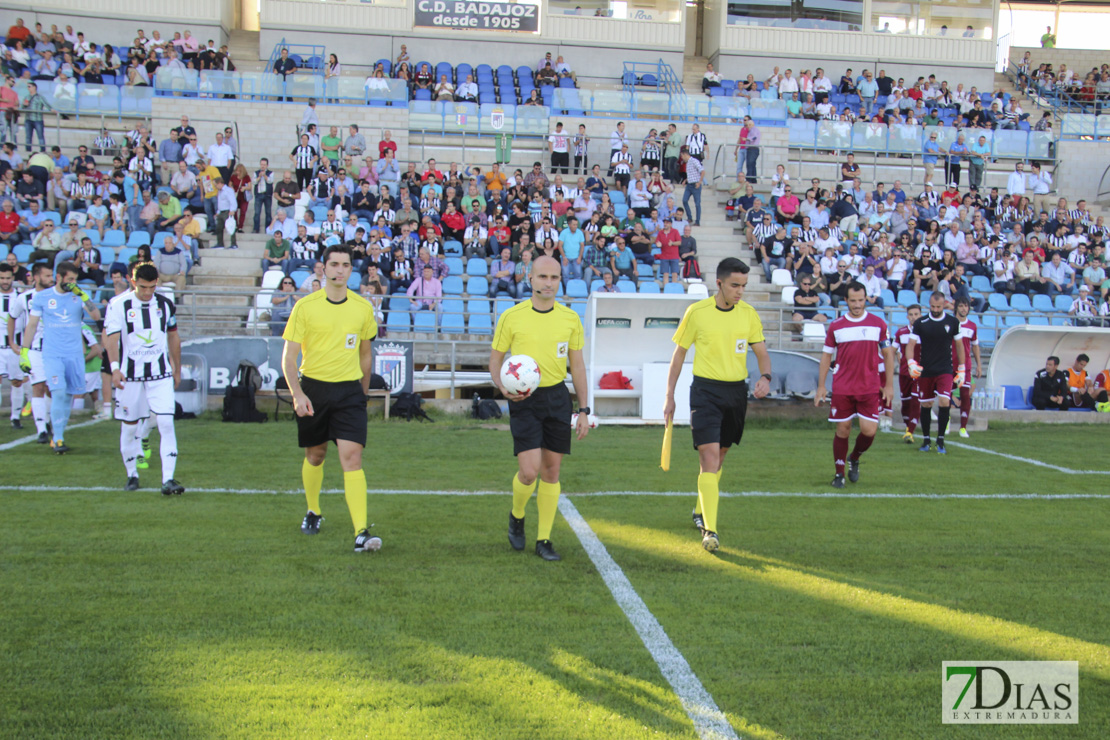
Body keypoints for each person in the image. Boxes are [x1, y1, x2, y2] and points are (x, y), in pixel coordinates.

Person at [664, 258, 772, 552]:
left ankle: (700, 510)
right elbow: (678, 355)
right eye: (735, 285)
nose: (740, 291)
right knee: (708, 459)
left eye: (744, 286)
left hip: (736, 394)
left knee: (719, 459)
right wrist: (669, 395)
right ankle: (710, 530)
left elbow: (761, 351)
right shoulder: (697, 312)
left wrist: (765, 376)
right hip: (705, 392)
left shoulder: (748, 314)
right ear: (720, 283)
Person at [489, 256, 590, 562]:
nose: (549, 282)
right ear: (529, 278)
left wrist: (583, 409)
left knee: (551, 471)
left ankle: (544, 539)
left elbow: (577, 365)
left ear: (560, 280)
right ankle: (517, 514)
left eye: (554, 277)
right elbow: (496, 359)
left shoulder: (570, 318)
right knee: (529, 472)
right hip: (524, 400)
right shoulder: (512, 316)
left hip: (558, 398)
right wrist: (501, 386)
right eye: (542, 276)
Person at [281, 244, 380, 553]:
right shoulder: (305, 307)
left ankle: (361, 532)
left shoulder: (363, 308)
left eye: (346, 265)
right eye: (334, 264)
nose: (340, 270)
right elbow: (288, 357)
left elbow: (366, 355)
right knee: (316, 455)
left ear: (351, 270)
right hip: (313, 390)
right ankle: (313, 511)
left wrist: (361, 393)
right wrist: (297, 394)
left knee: (352, 458)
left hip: (350, 392)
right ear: (323, 268)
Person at [102, 263, 183, 493]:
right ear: (133, 282)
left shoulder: (165, 304)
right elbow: (112, 338)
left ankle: (168, 479)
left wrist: (176, 368)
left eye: (152, 287)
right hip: (130, 376)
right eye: (143, 287)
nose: (148, 292)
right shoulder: (118, 305)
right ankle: (132, 475)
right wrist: (115, 368)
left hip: (160, 374)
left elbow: (174, 337)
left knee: (166, 422)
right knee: (129, 427)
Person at [815, 282, 895, 488]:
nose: (857, 304)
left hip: (869, 387)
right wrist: (821, 386)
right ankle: (839, 474)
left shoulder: (878, 324)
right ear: (846, 301)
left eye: (860, 300)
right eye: (853, 301)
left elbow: (888, 354)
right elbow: (826, 356)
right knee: (843, 429)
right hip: (843, 387)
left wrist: (889, 386)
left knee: (869, 431)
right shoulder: (836, 326)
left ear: (866, 298)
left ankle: (855, 457)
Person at [19, 262, 101, 454]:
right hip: (52, 353)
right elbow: (31, 325)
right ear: (59, 278)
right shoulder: (42, 297)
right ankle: (57, 438)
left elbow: (96, 315)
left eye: (75, 280)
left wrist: (82, 295)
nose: (73, 283)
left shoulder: (78, 295)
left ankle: (59, 433)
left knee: (68, 395)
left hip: (74, 354)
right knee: (58, 391)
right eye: (70, 279)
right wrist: (24, 353)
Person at [905, 292, 964, 454]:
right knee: (926, 404)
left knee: (945, 401)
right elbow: (910, 345)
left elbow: (960, 346)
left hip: (945, 369)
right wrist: (911, 362)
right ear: (929, 305)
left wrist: (962, 368)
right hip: (926, 370)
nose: (936, 309)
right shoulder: (921, 323)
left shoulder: (952, 322)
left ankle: (940, 440)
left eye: (938, 306)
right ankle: (926, 440)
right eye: (932, 306)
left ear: (944, 304)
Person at [6, 262, 52, 440]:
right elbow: (12, 317)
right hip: (33, 349)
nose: (50, 279)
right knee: (38, 386)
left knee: (50, 388)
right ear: (35, 277)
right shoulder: (24, 298)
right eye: (46, 276)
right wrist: (12, 341)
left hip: (54, 350)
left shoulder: (57, 296)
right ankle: (41, 429)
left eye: (51, 275)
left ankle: (46, 420)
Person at [0, 262, 26, 429]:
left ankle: (15, 417)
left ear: (13, 278)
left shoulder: (20, 297)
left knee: (17, 381)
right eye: (2, 278)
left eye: (8, 278)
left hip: (15, 347)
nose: (4, 281)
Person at [951, 298, 981, 438]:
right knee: (945, 396)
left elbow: (975, 346)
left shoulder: (972, 326)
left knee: (965, 396)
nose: (963, 309)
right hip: (949, 365)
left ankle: (963, 428)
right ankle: (945, 423)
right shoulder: (950, 324)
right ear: (956, 308)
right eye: (961, 306)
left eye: (966, 306)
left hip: (965, 367)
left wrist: (979, 365)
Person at [894, 304, 922, 443]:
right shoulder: (901, 333)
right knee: (905, 403)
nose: (913, 317)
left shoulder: (925, 332)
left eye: (916, 314)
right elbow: (892, 350)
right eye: (911, 314)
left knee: (915, 400)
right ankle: (908, 429)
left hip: (919, 373)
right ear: (907, 316)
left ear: (921, 315)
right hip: (904, 373)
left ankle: (910, 431)